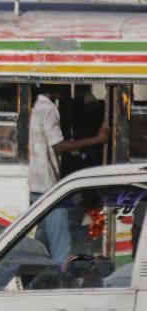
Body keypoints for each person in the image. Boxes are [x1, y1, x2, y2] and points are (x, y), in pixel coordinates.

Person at [29, 84, 107, 263]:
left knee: (41, 245)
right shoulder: (48, 108)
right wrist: (96, 140)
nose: (66, 86)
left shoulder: (38, 107)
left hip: (38, 185)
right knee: (61, 250)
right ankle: (63, 281)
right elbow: (58, 145)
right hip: (47, 187)